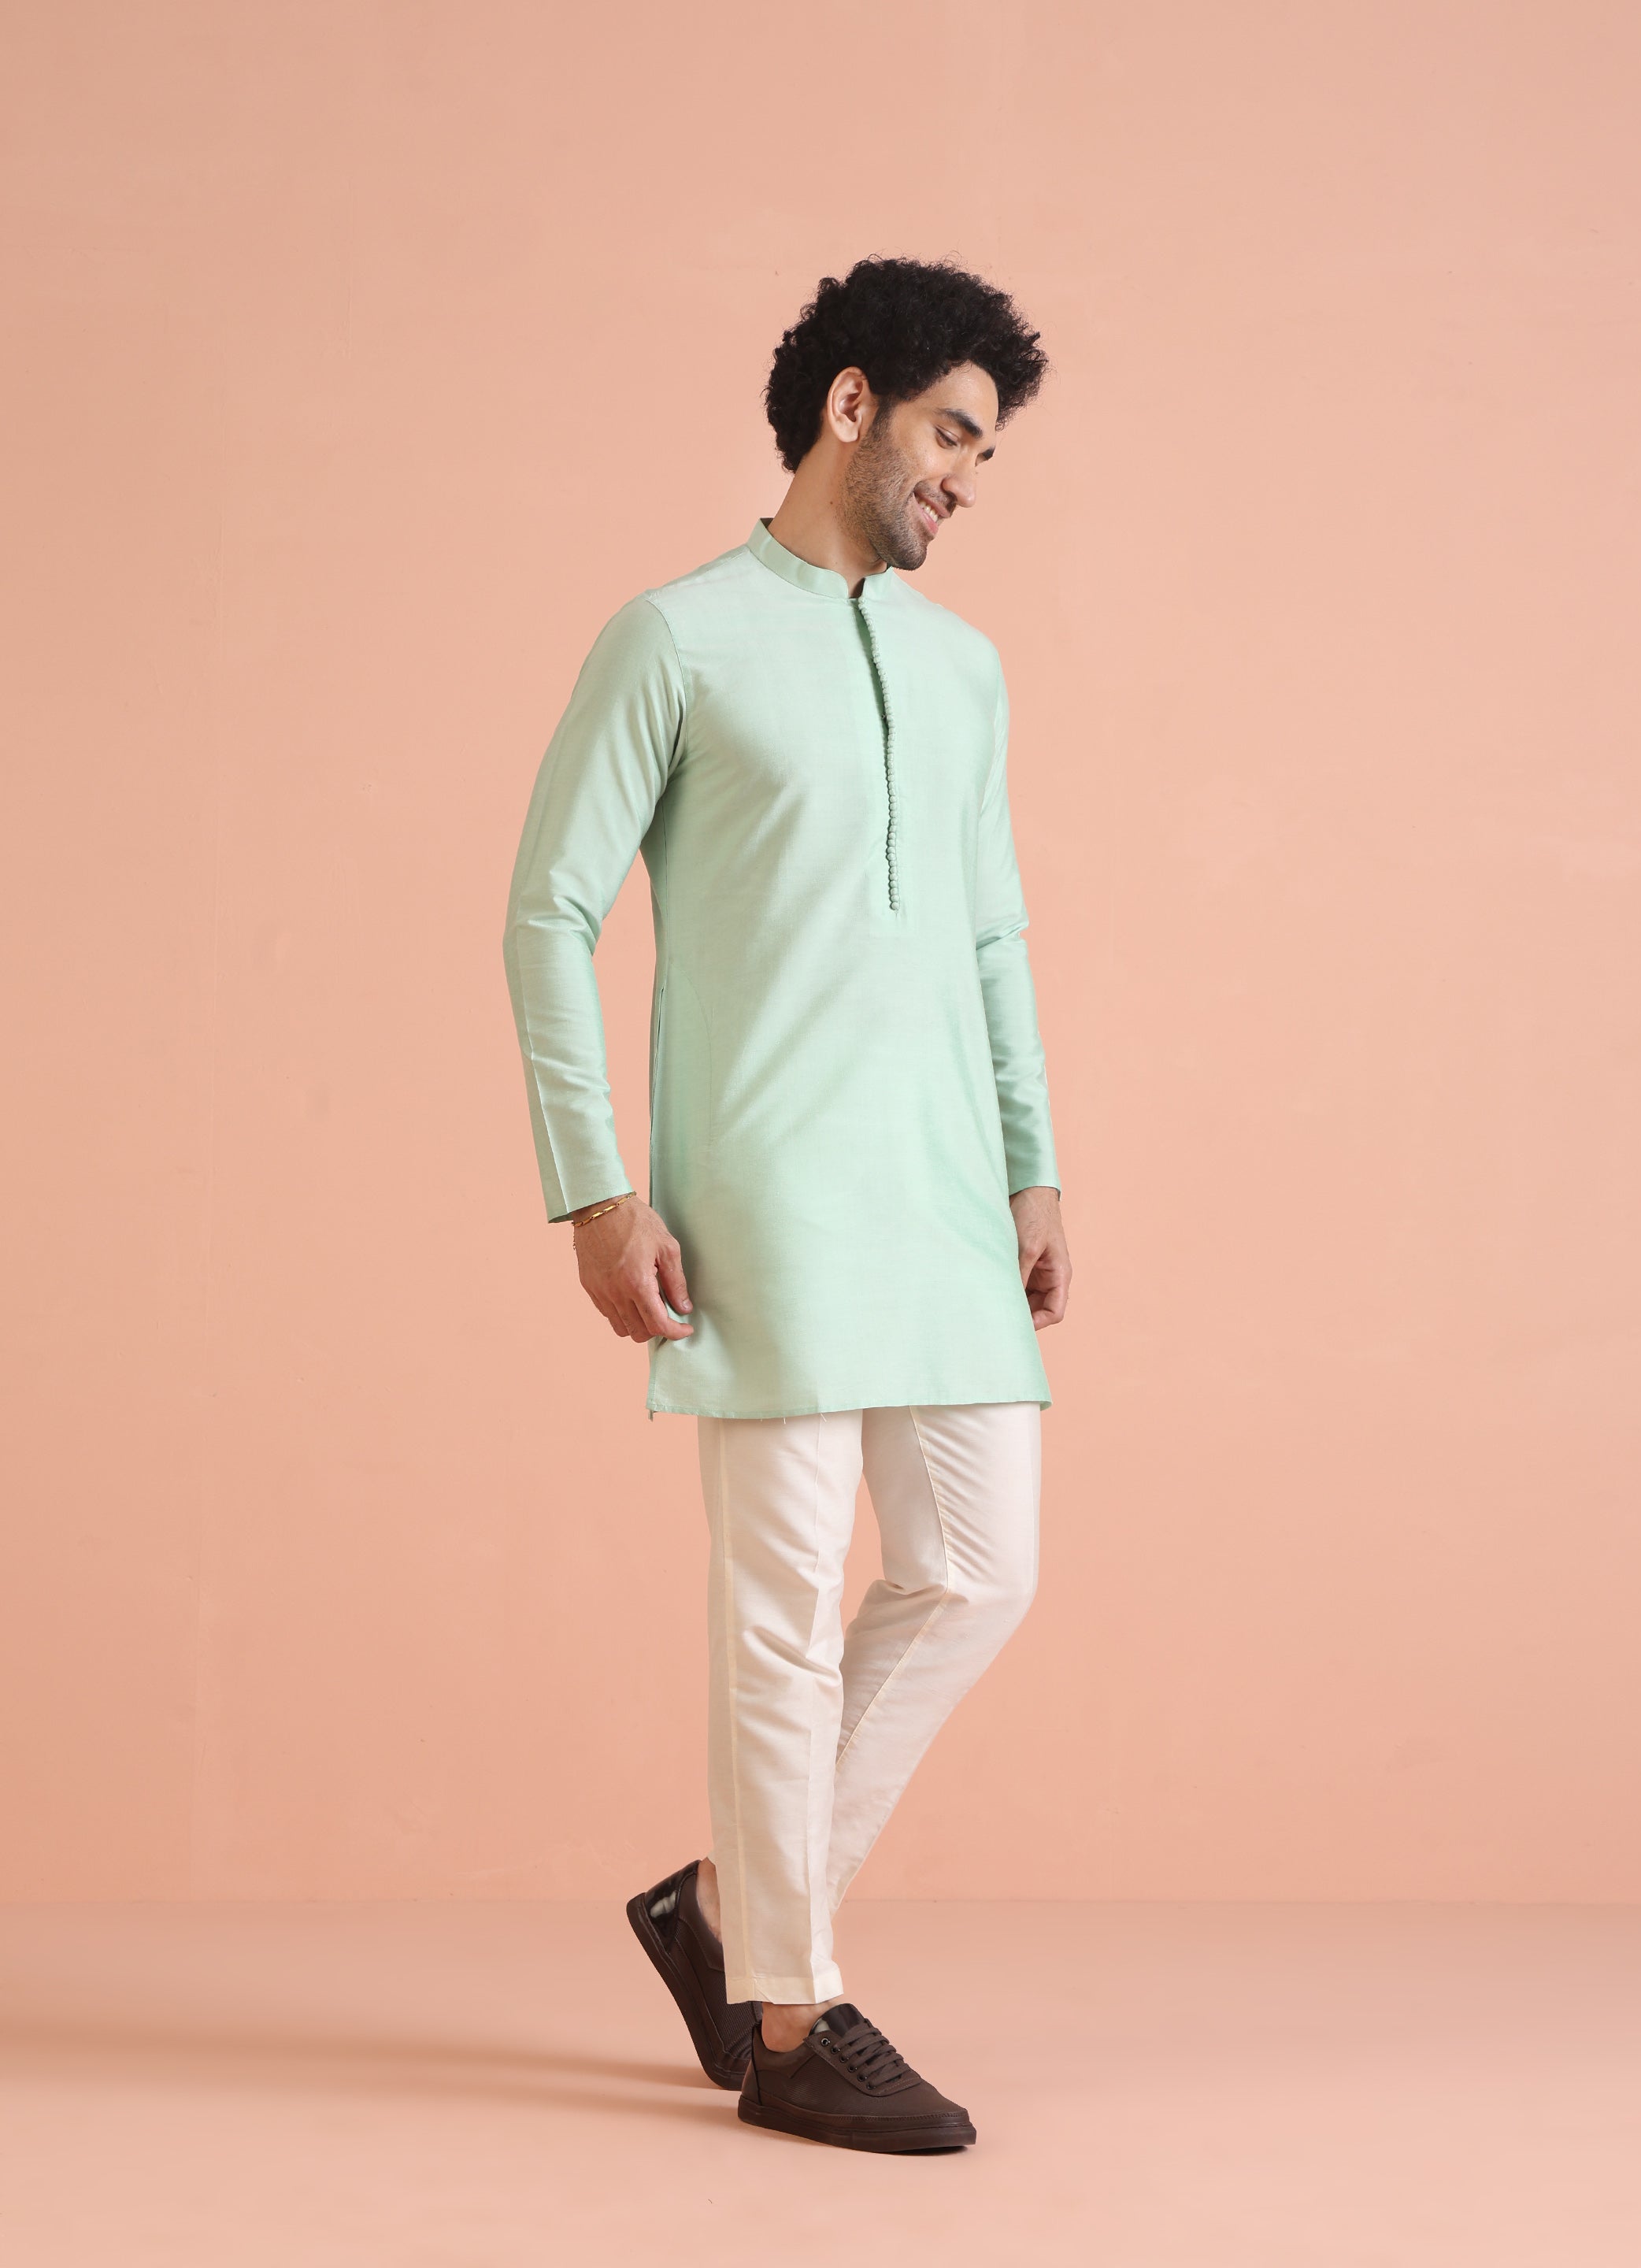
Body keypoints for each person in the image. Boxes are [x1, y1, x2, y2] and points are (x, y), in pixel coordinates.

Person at [502, 255, 1071, 2152]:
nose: (965, 480)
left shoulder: (965, 668)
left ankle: (729, 1905)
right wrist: (596, 1189)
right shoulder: (674, 640)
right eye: (951, 435)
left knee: (979, 1569)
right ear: (851, 407)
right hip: (760, 1202)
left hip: (943, 1200)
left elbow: (991, 931)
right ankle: (792, 2015)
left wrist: (1032, 1158)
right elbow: (548, 912)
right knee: (780, 1617)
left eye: (984, 452)